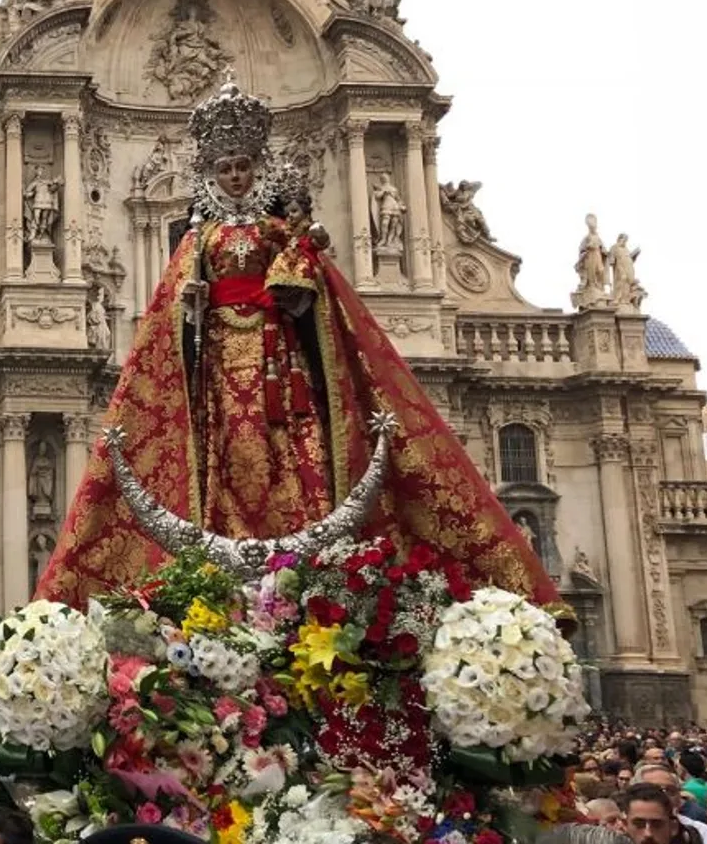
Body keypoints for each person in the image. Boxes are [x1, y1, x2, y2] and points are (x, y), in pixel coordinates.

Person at [35, 75, 556, 607]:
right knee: (224, 449)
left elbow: (308, 282)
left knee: (286, 444)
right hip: (218, 364)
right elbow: (173, 308)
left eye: (243, 166)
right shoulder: (196, 238)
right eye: (226, 168)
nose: (236, 176)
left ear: (257, 169)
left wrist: (297, 272)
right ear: (212, 173)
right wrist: (189, 307)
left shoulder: (279, 230)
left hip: (276, 362)